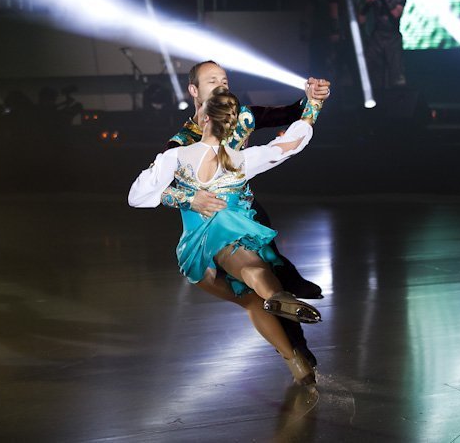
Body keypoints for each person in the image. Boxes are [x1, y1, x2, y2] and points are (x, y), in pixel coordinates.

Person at [128, 86, 323, 385]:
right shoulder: (242, 160)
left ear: (204, 119)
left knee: (249, 302)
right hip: (228, 239)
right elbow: (293, 143)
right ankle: (277, 296)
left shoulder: (176, 157)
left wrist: (187, 199)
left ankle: (296, 364)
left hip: (196, 254)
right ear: (233, 125)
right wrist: (313, 105)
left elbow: (137, 195)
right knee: (251, 268)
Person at [359, 0, 407, 89]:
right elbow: (361, 17)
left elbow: (395, 16)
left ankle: (398, 99)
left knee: (395, 70)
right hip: (377, 37)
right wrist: (367, 4)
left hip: (392, 37)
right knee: (372, 65)